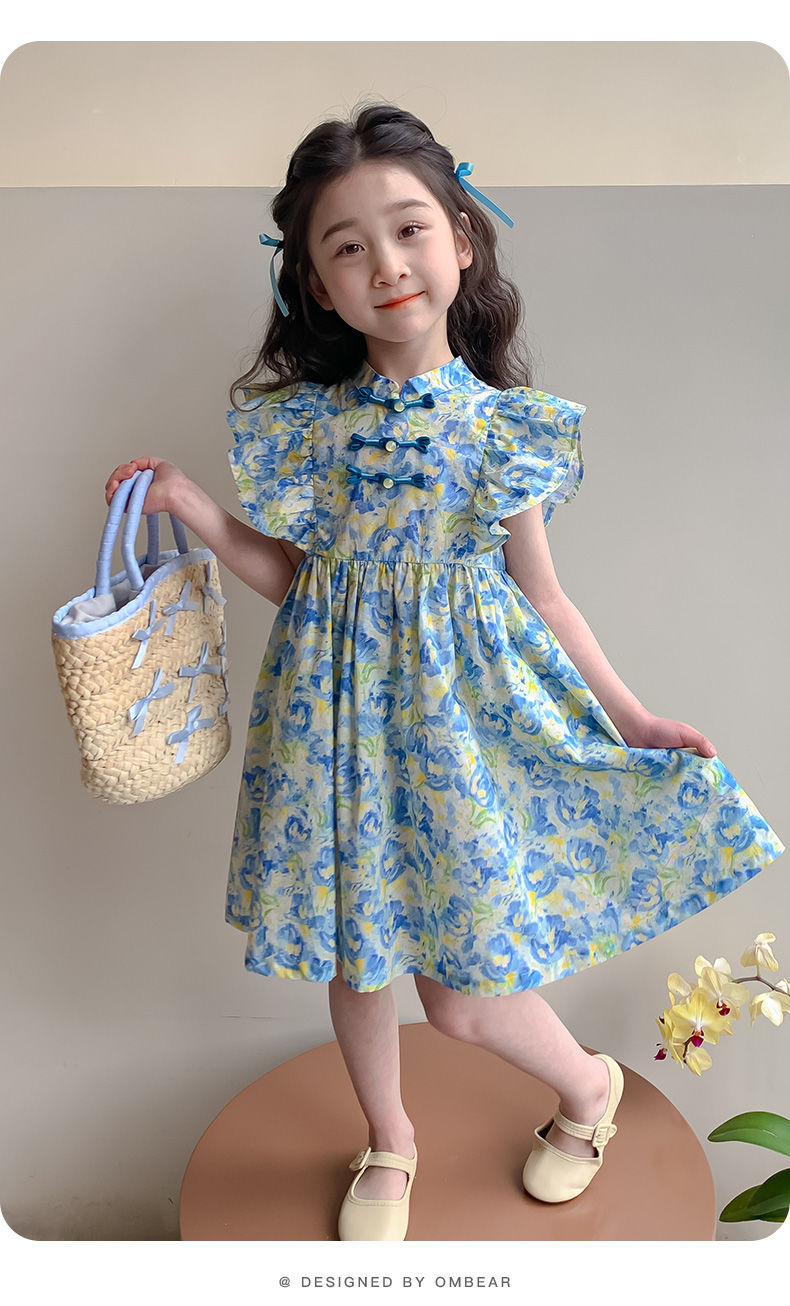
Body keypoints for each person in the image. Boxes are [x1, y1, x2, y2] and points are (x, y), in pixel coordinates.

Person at [105, 101, 785, 1239]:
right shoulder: (311, 432)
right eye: (348, 246)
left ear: (462, 241)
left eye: (409, 229)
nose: (385, 264)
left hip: (456, 743)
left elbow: (545, 596)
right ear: (317, 284)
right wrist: (197, 512)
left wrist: (630, 716)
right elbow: (304, 585)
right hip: (334, 739)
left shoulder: (502, 432)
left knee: (461, 997)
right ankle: (390, 1140)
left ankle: (587, 1088)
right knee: (356, 959)